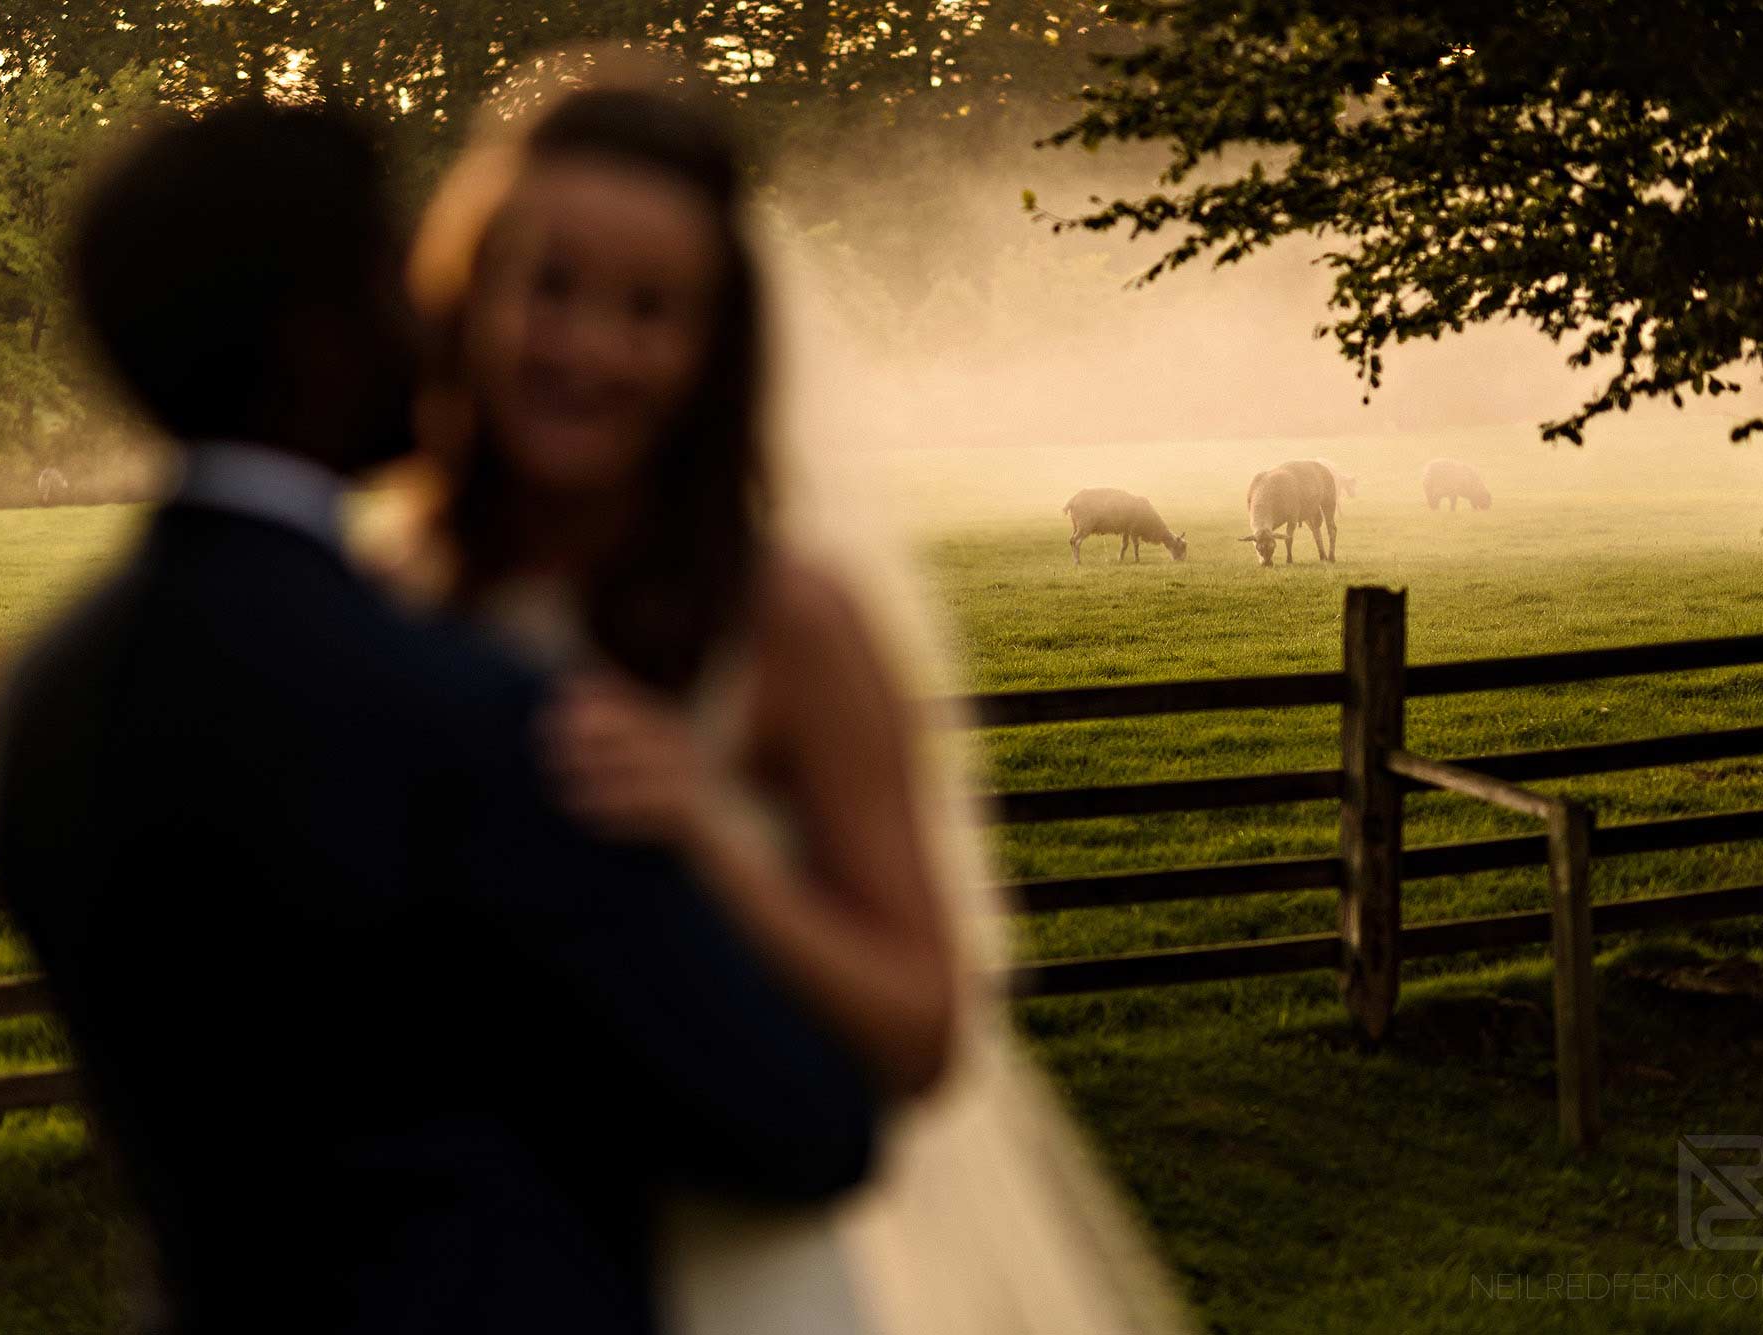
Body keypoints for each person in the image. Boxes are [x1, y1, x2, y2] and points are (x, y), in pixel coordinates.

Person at [0, 100, 879, 1335]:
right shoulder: (466, 703)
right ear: (320, 341)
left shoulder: (39, 693)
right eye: (390, 283)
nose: (429, 322)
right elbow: (803, 1128)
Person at [387, 76, 1200, 1334]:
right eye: (548, 287)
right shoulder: (393, 594)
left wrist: (709, 828)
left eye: (650, 310)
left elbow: (925, 1027)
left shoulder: (786, 624)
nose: (589, 347)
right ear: (469, 290)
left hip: (727, 1281)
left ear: (716, 349)